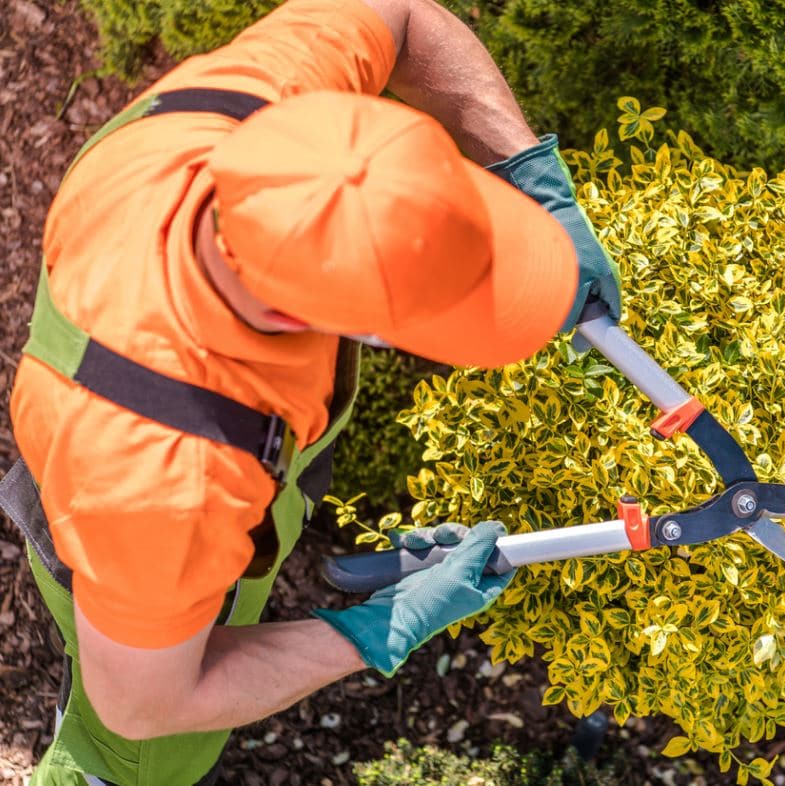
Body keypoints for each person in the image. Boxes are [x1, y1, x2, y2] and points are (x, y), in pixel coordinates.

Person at [0, 0, 621, 783]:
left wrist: (530, 178)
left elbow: (397, 15)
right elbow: (144, 701)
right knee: (134, 758)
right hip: (121, 571)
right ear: (304, 318)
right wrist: (378, 629)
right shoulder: (166, 486)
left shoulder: (261, 123)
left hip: (159, 449)